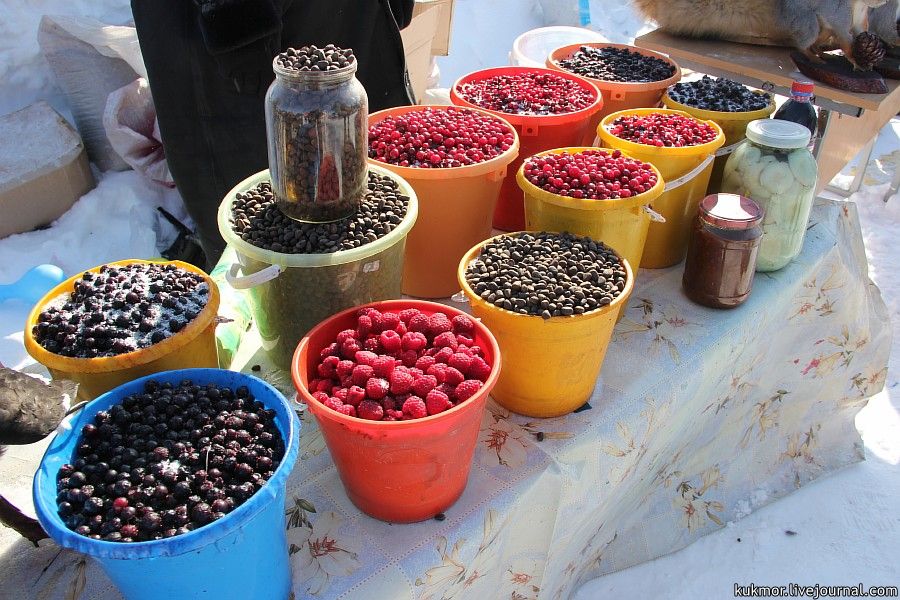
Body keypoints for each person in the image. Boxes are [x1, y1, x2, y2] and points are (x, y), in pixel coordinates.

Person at [131, 0, 416, 270]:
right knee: (258, 203)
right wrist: (233, 14)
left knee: (338, 133)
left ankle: (347, 282)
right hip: (230, 31)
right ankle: (260, 290)